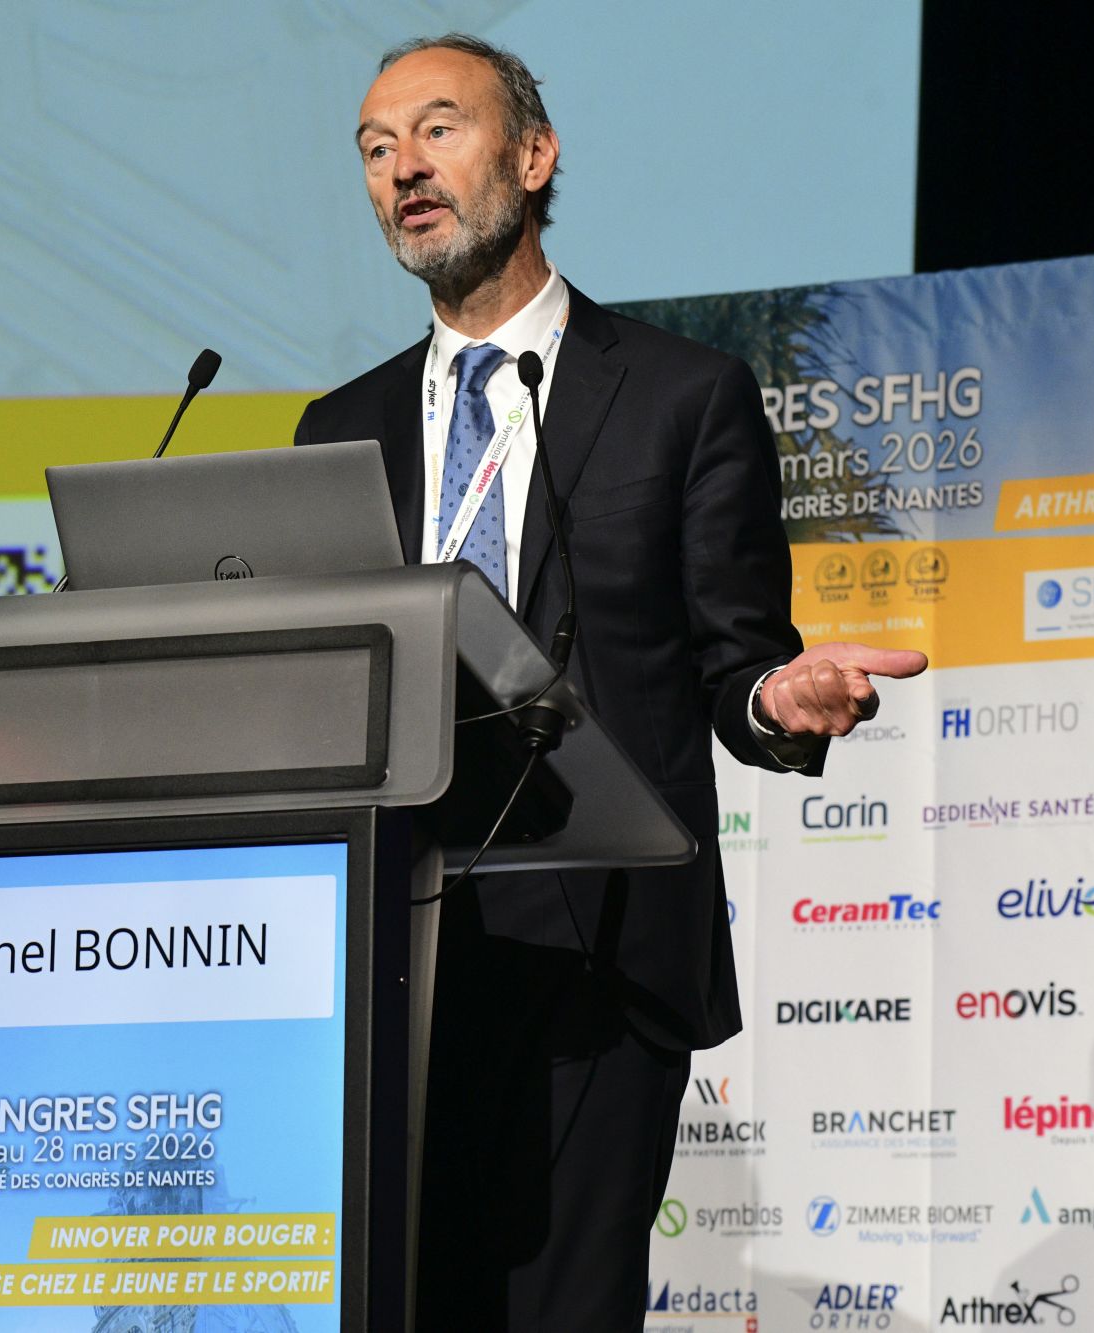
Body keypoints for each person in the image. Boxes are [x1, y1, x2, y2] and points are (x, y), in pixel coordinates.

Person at [293, 33, 928, 1330]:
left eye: (437, 130)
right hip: (380, 949)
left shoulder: (681, 397)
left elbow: (736, 664)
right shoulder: (339, 428)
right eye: (375, 147)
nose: (403, 168)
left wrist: (781, 700)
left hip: (592, 942)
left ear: (533, 155)